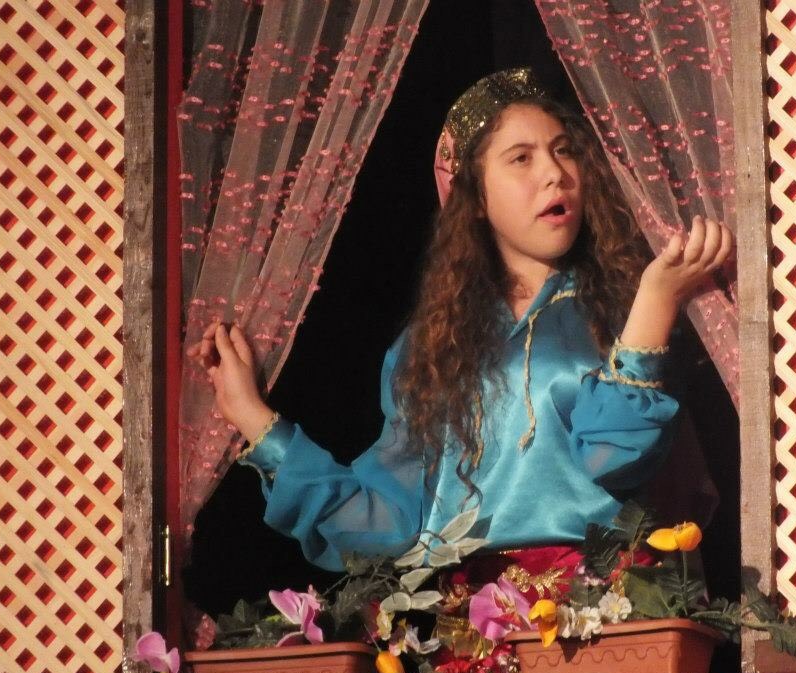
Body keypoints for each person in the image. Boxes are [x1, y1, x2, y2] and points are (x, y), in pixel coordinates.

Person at [188, 68, 733, 578]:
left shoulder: (619, 307)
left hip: (606, 613)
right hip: (474, 629)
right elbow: (387, 524)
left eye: (564, 150)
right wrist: (256, 421)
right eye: (521, 158)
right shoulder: (430, 348)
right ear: (473, 196)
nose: (555, 174)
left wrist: (657, 298)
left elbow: (613, 456)